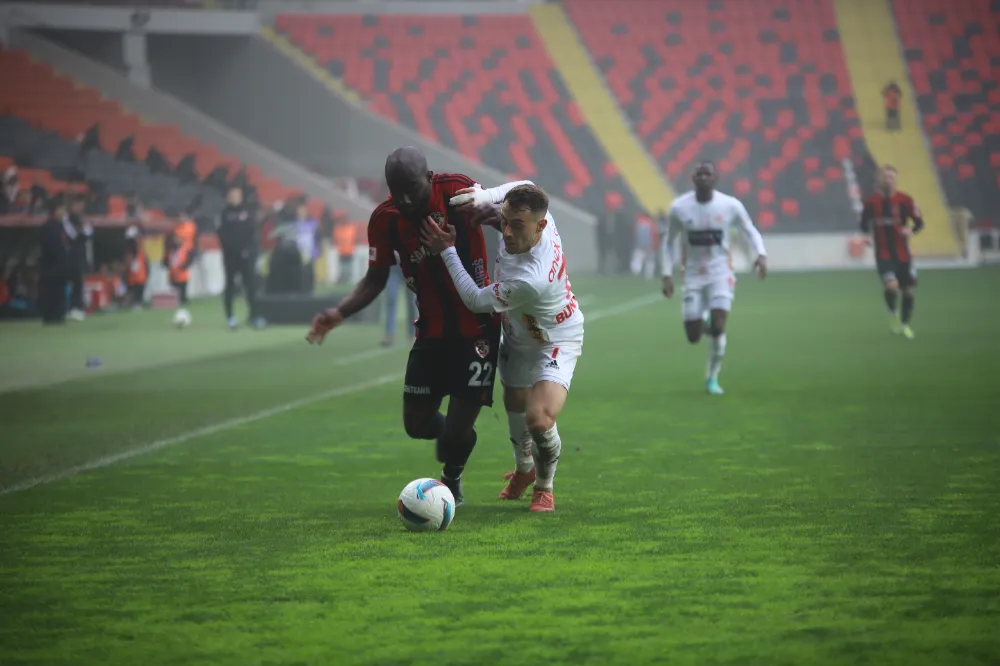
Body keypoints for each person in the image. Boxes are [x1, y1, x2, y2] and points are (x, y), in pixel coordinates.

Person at [306, 146, 500, 505]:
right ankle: (456, 438)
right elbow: (374, 278)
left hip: (478, 330)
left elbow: (500, 217)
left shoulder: (458, 192)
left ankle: (451, 478)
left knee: (457, 431)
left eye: (412, 187)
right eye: (397, 191)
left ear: (428, 177)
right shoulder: (385, 220)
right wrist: (340, 311)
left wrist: (499, 227)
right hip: (430, 333)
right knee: (417, 426)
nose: (406, 199)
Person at [421, 181, 584, 513]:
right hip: (517, 334)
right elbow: (528, 185)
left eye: (515, 225)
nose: (506, 231)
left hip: (555, 340)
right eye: (505, 221)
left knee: (538, 419)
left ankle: (543, 486)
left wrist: (447, 250)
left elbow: (476, 300)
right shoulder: (541, 216)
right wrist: (486, 197)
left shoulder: (531, 278)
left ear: (540, 227)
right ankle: (523, 470)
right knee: (513, 402)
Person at [660, 161, 767, 395]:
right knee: (693, 336)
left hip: (721, 273)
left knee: (719, 328)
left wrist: (761, 254)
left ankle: (712, 379)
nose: (704, 178)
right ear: (693, 178)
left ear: (715, 178)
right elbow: (669, 242)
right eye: (700, 174)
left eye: (708, 174)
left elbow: (750, 229)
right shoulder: (679, 207)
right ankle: (705, 318)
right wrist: (666, 274)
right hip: (693, 275)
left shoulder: (730, 205)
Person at [860, 165, 923, 338]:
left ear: (896, 179)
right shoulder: (871, 202)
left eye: (891, 177)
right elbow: (864, 223)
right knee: (891, 286)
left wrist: (910, 231)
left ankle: (905, 324)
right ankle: (893, 313)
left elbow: (919, 222)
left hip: (903, 253)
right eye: (885, 177)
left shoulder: (905, 200)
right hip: (883, 253)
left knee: (908, 291)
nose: (888, 180)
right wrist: (866, 236)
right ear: (880, 180)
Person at [217, 186, 263, 330]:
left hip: (246, 256)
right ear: (228, 197)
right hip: (230, 257)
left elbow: (253, 233)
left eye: (237, 195)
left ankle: (253, 316)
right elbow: (222, 235)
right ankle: (230, 318)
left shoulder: (247, 212)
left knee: (251, 287)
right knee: (230, 286)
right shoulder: (224, 214)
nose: (234, 198)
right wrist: (234, 250)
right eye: (232, 195)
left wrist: (249, 251)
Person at [38, 197, 70, 325]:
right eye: (61, 209)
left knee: (59, 291)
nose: (63, 212)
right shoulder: (49, 226)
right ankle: (51, 316)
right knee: (51, 291)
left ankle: (58, 315)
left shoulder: (61, 226)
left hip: (59, 266)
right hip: (51, 266)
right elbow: (51, 247)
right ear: (54, 211)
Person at [163, 209, 197, 324]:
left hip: (183, 267)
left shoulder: (191, 228)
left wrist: (188, 262)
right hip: (174, 269)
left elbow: (194, 244)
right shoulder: (175, 231)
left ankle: (183, 302)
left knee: (182, 286)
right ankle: (177, 303)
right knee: (174, 286)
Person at [382, 253, 417, 347]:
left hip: (409, 268)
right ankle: (389, 334)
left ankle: (412, 333)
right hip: (393, 268)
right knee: (391, 300)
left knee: (411, 303)